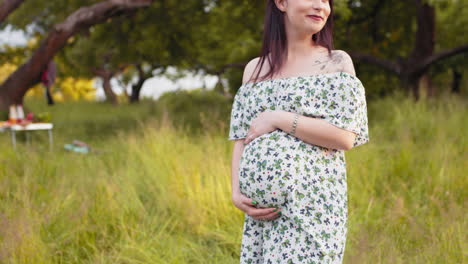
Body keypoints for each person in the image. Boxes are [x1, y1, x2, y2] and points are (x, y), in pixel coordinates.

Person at [228, 0, 370, 263]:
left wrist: (279, 118)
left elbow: (345, 136)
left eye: (326, 0)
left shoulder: (335, 62)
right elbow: (241, 139)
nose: (321, 6)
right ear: (281, 3)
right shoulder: (255, 69)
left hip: (314, 209)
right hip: (262, 217)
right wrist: (237, 193)